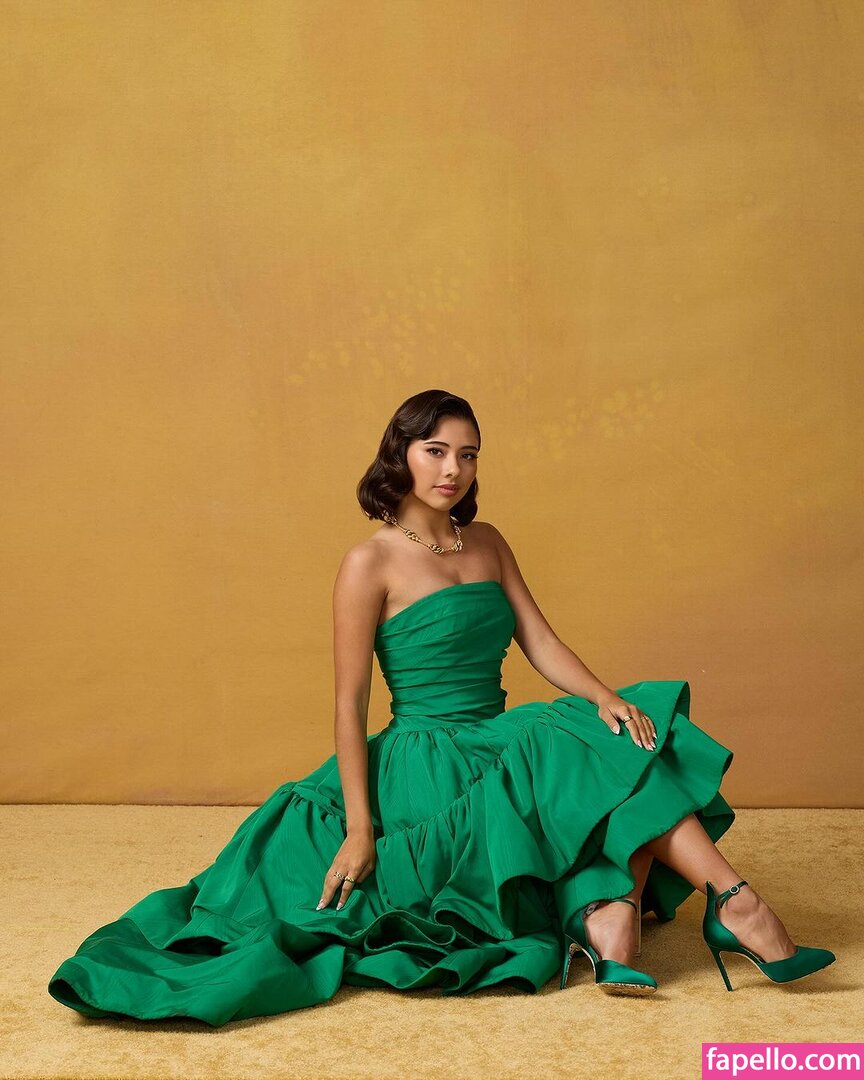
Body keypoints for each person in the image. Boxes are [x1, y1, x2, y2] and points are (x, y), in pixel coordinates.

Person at [48, 388, 835, 1026]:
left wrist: (603, 697)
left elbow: (540, 642)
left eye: (468, 454)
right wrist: (361, 827)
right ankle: (692, 911)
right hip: (422, 753)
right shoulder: (368, 562)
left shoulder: (486, 540)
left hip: (494, 730)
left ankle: (692, 908)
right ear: (400, 454)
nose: (452, 468)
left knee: (621, 727)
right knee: (580, 750)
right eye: (435, 450)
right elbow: (348, 704)